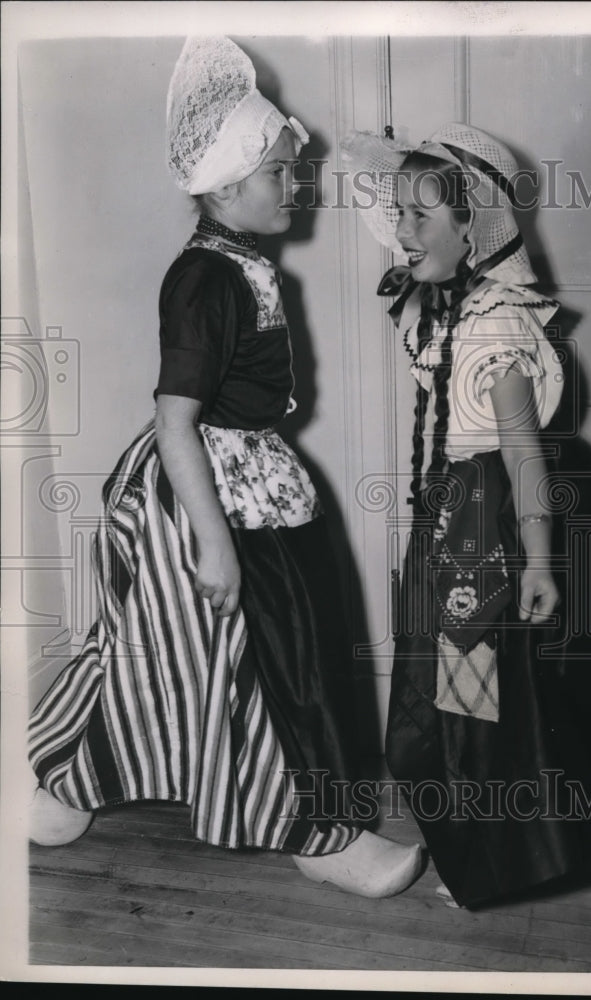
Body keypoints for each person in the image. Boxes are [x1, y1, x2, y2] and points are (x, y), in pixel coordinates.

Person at [27, 36, 422, 900]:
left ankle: (315, 817)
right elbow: (177, 421)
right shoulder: (205, 278)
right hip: (204, 495)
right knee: (189, 650)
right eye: (281, 171)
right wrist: (212, 541)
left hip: (256, 477)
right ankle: (65, 781)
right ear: (228, 184)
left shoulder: (243, 263)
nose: (296, 184)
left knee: (279, 650)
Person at [340, 123, 591, 918]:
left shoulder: (496, 327)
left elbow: (522, 458)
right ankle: (482, 852)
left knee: (511, 713)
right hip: (450, 533)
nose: (401, 231)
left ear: (470, 229)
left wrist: (540, 565)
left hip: (493, 536)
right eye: (398, 213)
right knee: (454, 707)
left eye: (420, 216)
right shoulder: (436, 311)